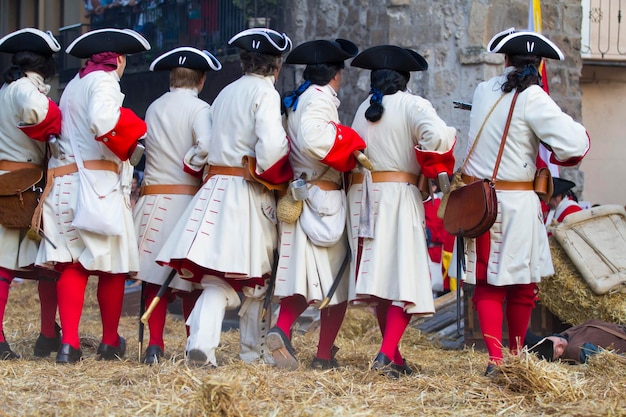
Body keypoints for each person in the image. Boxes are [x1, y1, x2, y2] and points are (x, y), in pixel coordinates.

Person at [155, 28, 293, 367]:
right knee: (255, 278)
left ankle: (201, 345)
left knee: (218, 277)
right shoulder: (266, 93)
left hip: (214, 190)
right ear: (276, 65)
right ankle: (251, 354)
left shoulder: (226, 92)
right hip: (247, 191)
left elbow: (204, 149)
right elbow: (272, 149)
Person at [461, 28, 590, 375]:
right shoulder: (534, 97)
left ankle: (495, 359)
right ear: (539, 65)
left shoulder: (482, 90)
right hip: (516, 203)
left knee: (489, 284)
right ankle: (515, 357)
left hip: (482, 201)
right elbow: (575, 146)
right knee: (521, 285)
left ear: (505, 60)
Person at [34, 28, 150, 363]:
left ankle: (69, 345)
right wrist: (136, 135)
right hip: (96, 185)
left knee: (72, 263)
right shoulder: (104, 81)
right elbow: (104, 122)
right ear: (118, 59)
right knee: (111, 266)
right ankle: (110, 341)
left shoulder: (73, 85)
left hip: (66, 184)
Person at [347, 45, 456, 378]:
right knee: (405, 279)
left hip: (364, 197)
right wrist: (434, 148)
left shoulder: (364, 107)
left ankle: (394, 357)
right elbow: (437, 136)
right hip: (398, 197)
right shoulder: (413, 104)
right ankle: (384, 354)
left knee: (382, 282)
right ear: (405, 79)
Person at [266, 38, 365, 370]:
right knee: (337, 283)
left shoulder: (299, 98)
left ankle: (281, 330)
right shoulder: (320, 99)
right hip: (322, 199)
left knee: (304, 277)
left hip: (302, 194)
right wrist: (350, 141)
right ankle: (322, 354)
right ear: (336, 75)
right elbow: (314, 138)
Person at [133, 46, 221, 364]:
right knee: (191, 282)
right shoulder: (200, 109)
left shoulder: (154, 107)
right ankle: (190, 344)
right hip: (185, 202)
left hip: (153, 201)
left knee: (152, 280)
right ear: (201, 79)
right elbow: (208, 147)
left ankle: (154, 345)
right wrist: (192, 161)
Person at [0, 28, 63, 360]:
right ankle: (40, 335)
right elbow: (40, 114)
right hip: (21, 185)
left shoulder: (7, 87)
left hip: (22, 181)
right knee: (8, 268)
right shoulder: (25, 88)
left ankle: (47, 335)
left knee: (42, 265)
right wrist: (58, 119)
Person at [526, 319, 626, 364]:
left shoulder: (564, 336)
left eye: (552, 343)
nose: (559, 345)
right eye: (557, 351)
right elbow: (606, 358)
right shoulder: (575, 350)